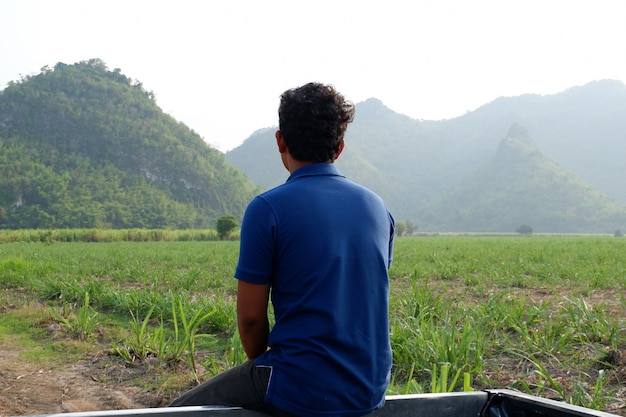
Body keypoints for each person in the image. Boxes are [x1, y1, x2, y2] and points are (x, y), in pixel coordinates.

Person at [170, 82, 395, 417]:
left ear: (280, 140)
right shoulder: (377, 208)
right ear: (341, 147)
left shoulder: (268, 208)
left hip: (301, 384)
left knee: (180, 410)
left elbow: (250, 320)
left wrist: (262, 364)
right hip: (370, 386)